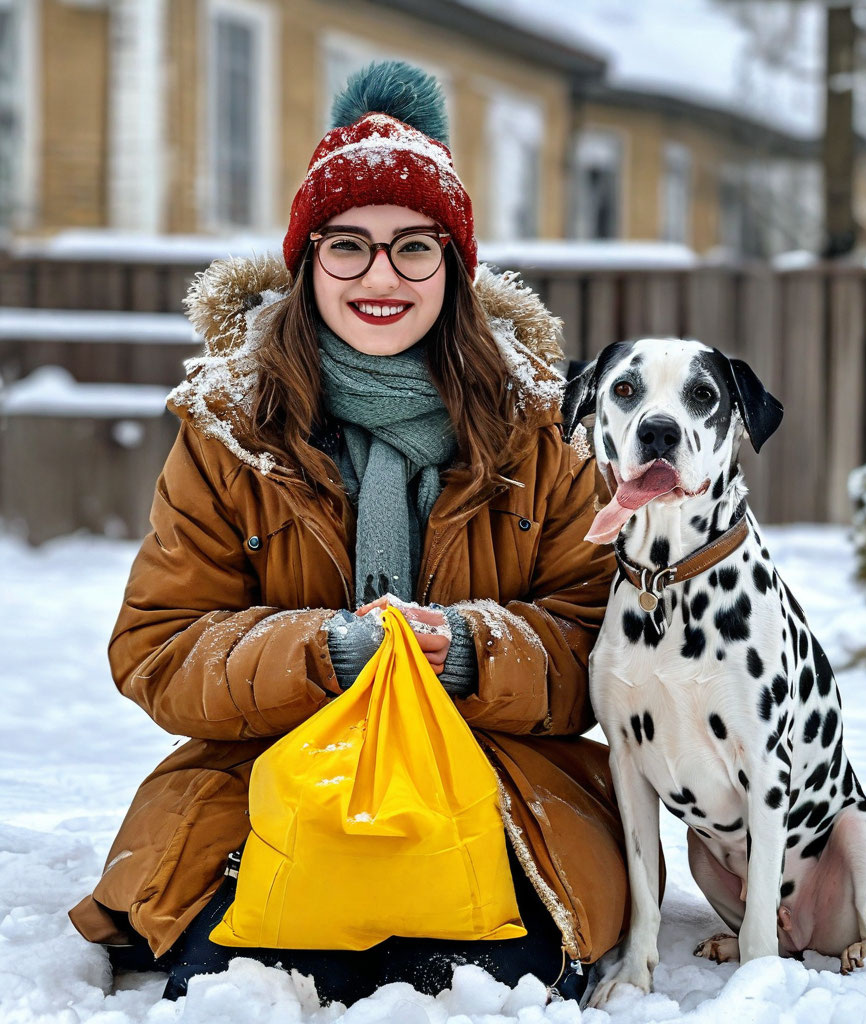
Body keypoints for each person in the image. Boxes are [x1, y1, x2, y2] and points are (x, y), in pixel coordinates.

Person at [68, 60, 642, 1006]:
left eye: (415, 247)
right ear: (308, 262)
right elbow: (157, 647)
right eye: (349, 246)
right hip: (266, 777)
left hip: (498, 784)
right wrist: (327, 652)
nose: (382, 277)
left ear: (454, 269)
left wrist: (466, 650)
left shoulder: (547, 429)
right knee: (240, 976)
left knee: (490, 981)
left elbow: (606, 645)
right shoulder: (230, 432)